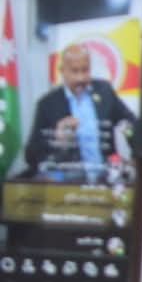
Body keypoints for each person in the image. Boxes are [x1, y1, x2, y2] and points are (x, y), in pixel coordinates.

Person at [23, 43, 134, 182]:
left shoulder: (104, 91)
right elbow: (31, 156)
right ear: (62, 72)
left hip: (107, 182)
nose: (80, 78)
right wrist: (57, 141)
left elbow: (129, 123)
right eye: (74, 71)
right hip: (69, 185)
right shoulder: (47, 105)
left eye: (85, 70)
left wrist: (135, 153)